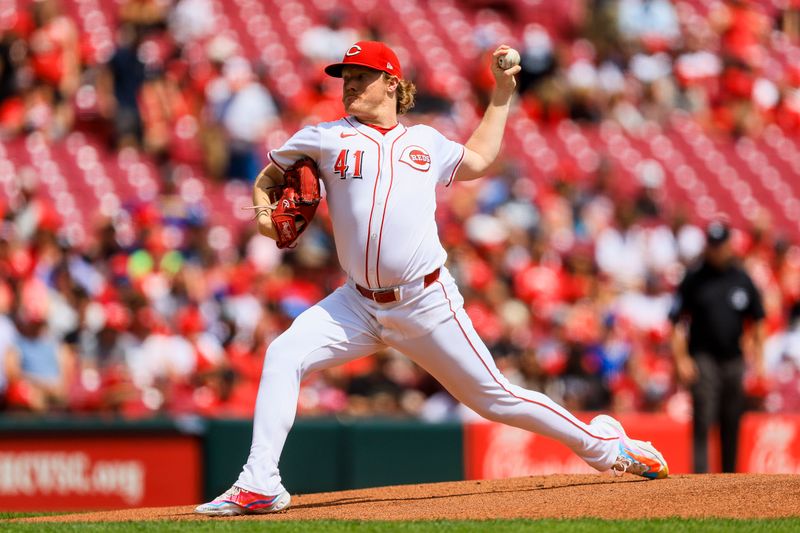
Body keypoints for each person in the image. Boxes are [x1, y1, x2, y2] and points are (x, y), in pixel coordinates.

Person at [195, 41, 669, 517]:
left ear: (392, 84)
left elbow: (480, 158)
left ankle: (607, 447)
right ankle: (260, 483)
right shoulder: (322, 137)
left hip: (425, 301)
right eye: (346, 76)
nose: (351, 83)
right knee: (283, 354)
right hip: (356, 305)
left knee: (496, 400)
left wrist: (502, 91)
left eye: (362, 74)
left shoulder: (426, 142)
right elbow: (265, 182)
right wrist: (264, 218)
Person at [669, 220, 766, 473]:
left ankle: (729, 481)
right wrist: (681, 359)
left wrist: (758, 357)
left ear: (728, 245)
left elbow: (758, 320)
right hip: (703, 358)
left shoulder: (742, 279)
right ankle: (700, 481)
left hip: (733, 359)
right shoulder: (694, 279)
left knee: (731, 421)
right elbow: (676, 321)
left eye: (720, 244)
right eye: (712, 245)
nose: (716, 250)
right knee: (703, 418)